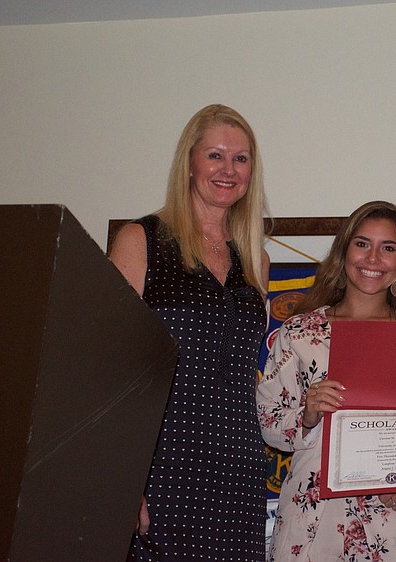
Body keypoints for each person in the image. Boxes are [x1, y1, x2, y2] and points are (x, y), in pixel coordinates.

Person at [109, 103, 270, 561]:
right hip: (162, 462)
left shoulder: (256, 261)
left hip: (237, 466)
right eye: (215, 155)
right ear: (190, 163)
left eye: (241, 159)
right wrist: (125, 482)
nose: (228, 169)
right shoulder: (139, 240)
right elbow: (110, 373)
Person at [257, 201, 396, 562]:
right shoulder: (299, 332)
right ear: (344, 252)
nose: (372, 258)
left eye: (388, 248)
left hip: (393, 520)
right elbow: (268, 422)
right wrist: (307, 414)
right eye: (362, 243)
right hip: (313, 518)